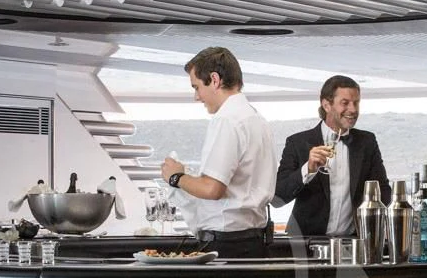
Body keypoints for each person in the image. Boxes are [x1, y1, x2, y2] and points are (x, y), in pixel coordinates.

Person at [159, 47, 277, 258]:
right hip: (254, 242)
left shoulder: (226, 119)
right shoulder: (257, 119)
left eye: (197, 87)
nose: (197, 97)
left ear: (214, 80)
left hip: (227, 245)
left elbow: (212, 189)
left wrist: (176, 177)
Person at [273, 75, 390, 237]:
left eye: (356, 103)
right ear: (326, 105)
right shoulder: (297, 143)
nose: (353, 110)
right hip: (305, 242)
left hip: (353, 243)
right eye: (345, 103)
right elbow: (277, 198)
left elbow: (384, 192)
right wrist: (307, 169)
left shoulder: (367, 142)